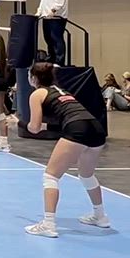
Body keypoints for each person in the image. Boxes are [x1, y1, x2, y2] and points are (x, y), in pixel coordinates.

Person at [23, 61, 109, 238]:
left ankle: (48, 224)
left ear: (34, 78)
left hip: (77, 128)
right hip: (95, 127)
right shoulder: (61, 91)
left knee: (50, 176)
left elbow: (34, 128)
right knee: (86, 175)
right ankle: (100, 216)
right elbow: (62, 122)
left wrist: (18, 123)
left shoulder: (37, 94)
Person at [38, 0, 70, 65]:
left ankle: (59, 61)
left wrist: (54, 9)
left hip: (56, 17)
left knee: (56, 38)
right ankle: (51, 58)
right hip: (46, 16)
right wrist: (40, 11)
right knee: (48, 39)